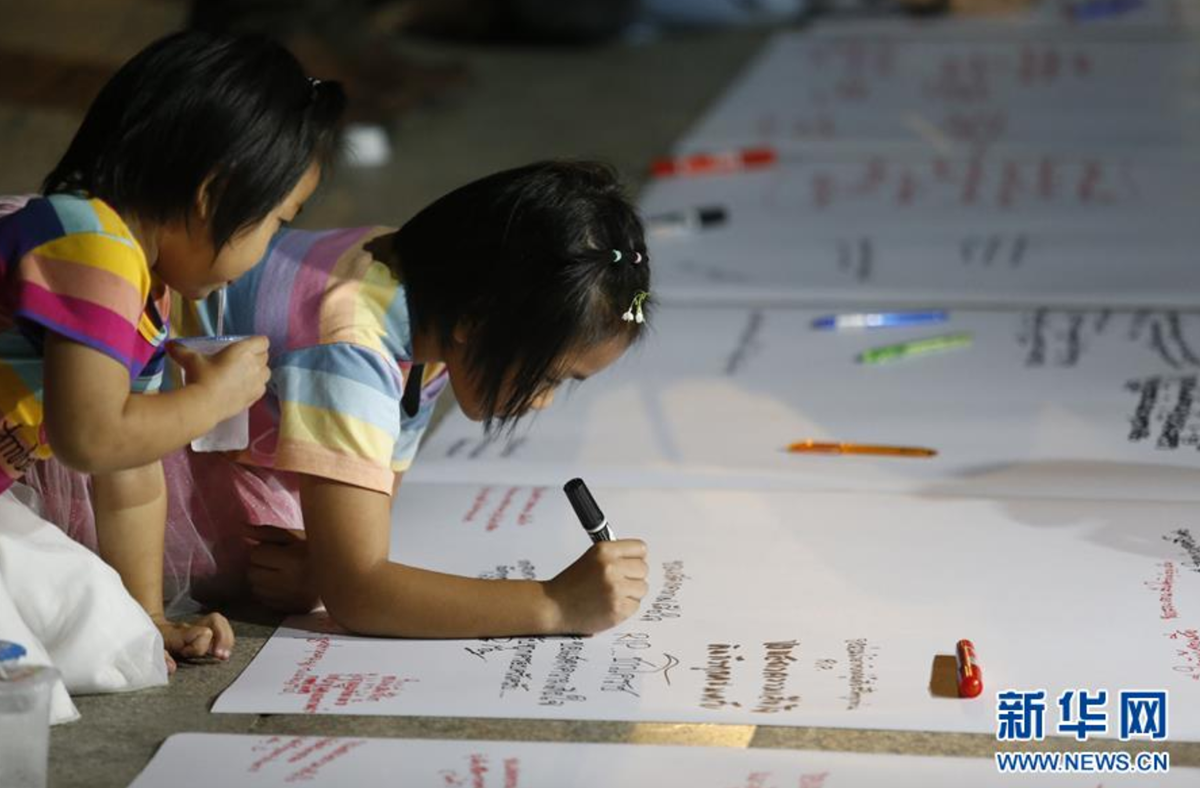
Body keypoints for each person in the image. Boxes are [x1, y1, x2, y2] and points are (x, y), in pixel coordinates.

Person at [31, 160, 652, 638]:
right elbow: (360, 591)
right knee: (251, 554)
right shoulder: (352, 340)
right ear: (477, 319)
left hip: (188, 399)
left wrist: (327, 561)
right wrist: (554, 604)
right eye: (550, 377)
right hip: (77, 428)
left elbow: (370, 507)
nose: (541, 402)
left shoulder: (422, 282)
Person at [1, 30, 345, 670]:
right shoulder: (91, 246)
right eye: (277, 221)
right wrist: (213, 398)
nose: (267, 248)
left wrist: (147, 617)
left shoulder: (140, 286)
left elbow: (129, 472)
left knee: (94, 622)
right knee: (67, 635)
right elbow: (93, 439)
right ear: (215, 193)